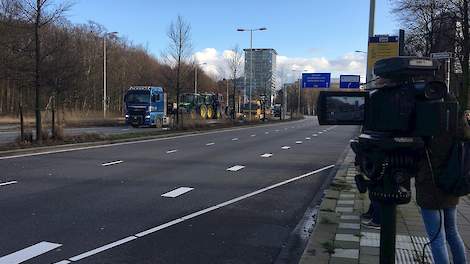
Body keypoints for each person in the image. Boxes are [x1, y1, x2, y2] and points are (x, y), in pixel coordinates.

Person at [416, 99, 470, 264]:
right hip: (452, 184)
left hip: (430, 186)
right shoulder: (459, 127)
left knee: (436, 237)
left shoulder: (429, 127)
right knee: (452, 231)